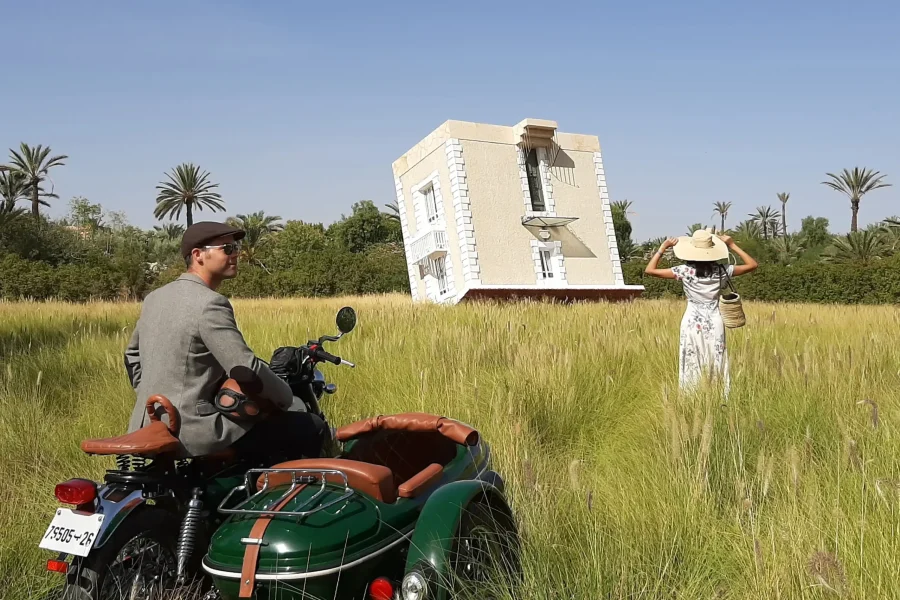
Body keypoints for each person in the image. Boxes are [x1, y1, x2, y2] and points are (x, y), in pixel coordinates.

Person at [124, 221, 327, 461]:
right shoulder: (210, 303)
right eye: (227, 249)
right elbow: (244, 368)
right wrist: (286, 397)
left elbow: (132, 357)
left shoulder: (154, 298)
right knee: (310, 426)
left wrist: (157, 392)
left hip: (146, 425)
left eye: (236, 247)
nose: (236, 254)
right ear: (198, 255)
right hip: (190, 431)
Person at [644, 229, 758, 396]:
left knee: (691, 359)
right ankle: (718, 395)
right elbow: (752, 265)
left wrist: (663, 247)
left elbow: (650, 270)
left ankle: (691, 396)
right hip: (715, 321)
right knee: (716, 359)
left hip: (691, 322)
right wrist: (732, 244)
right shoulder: (722, 271)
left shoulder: (684, 271)